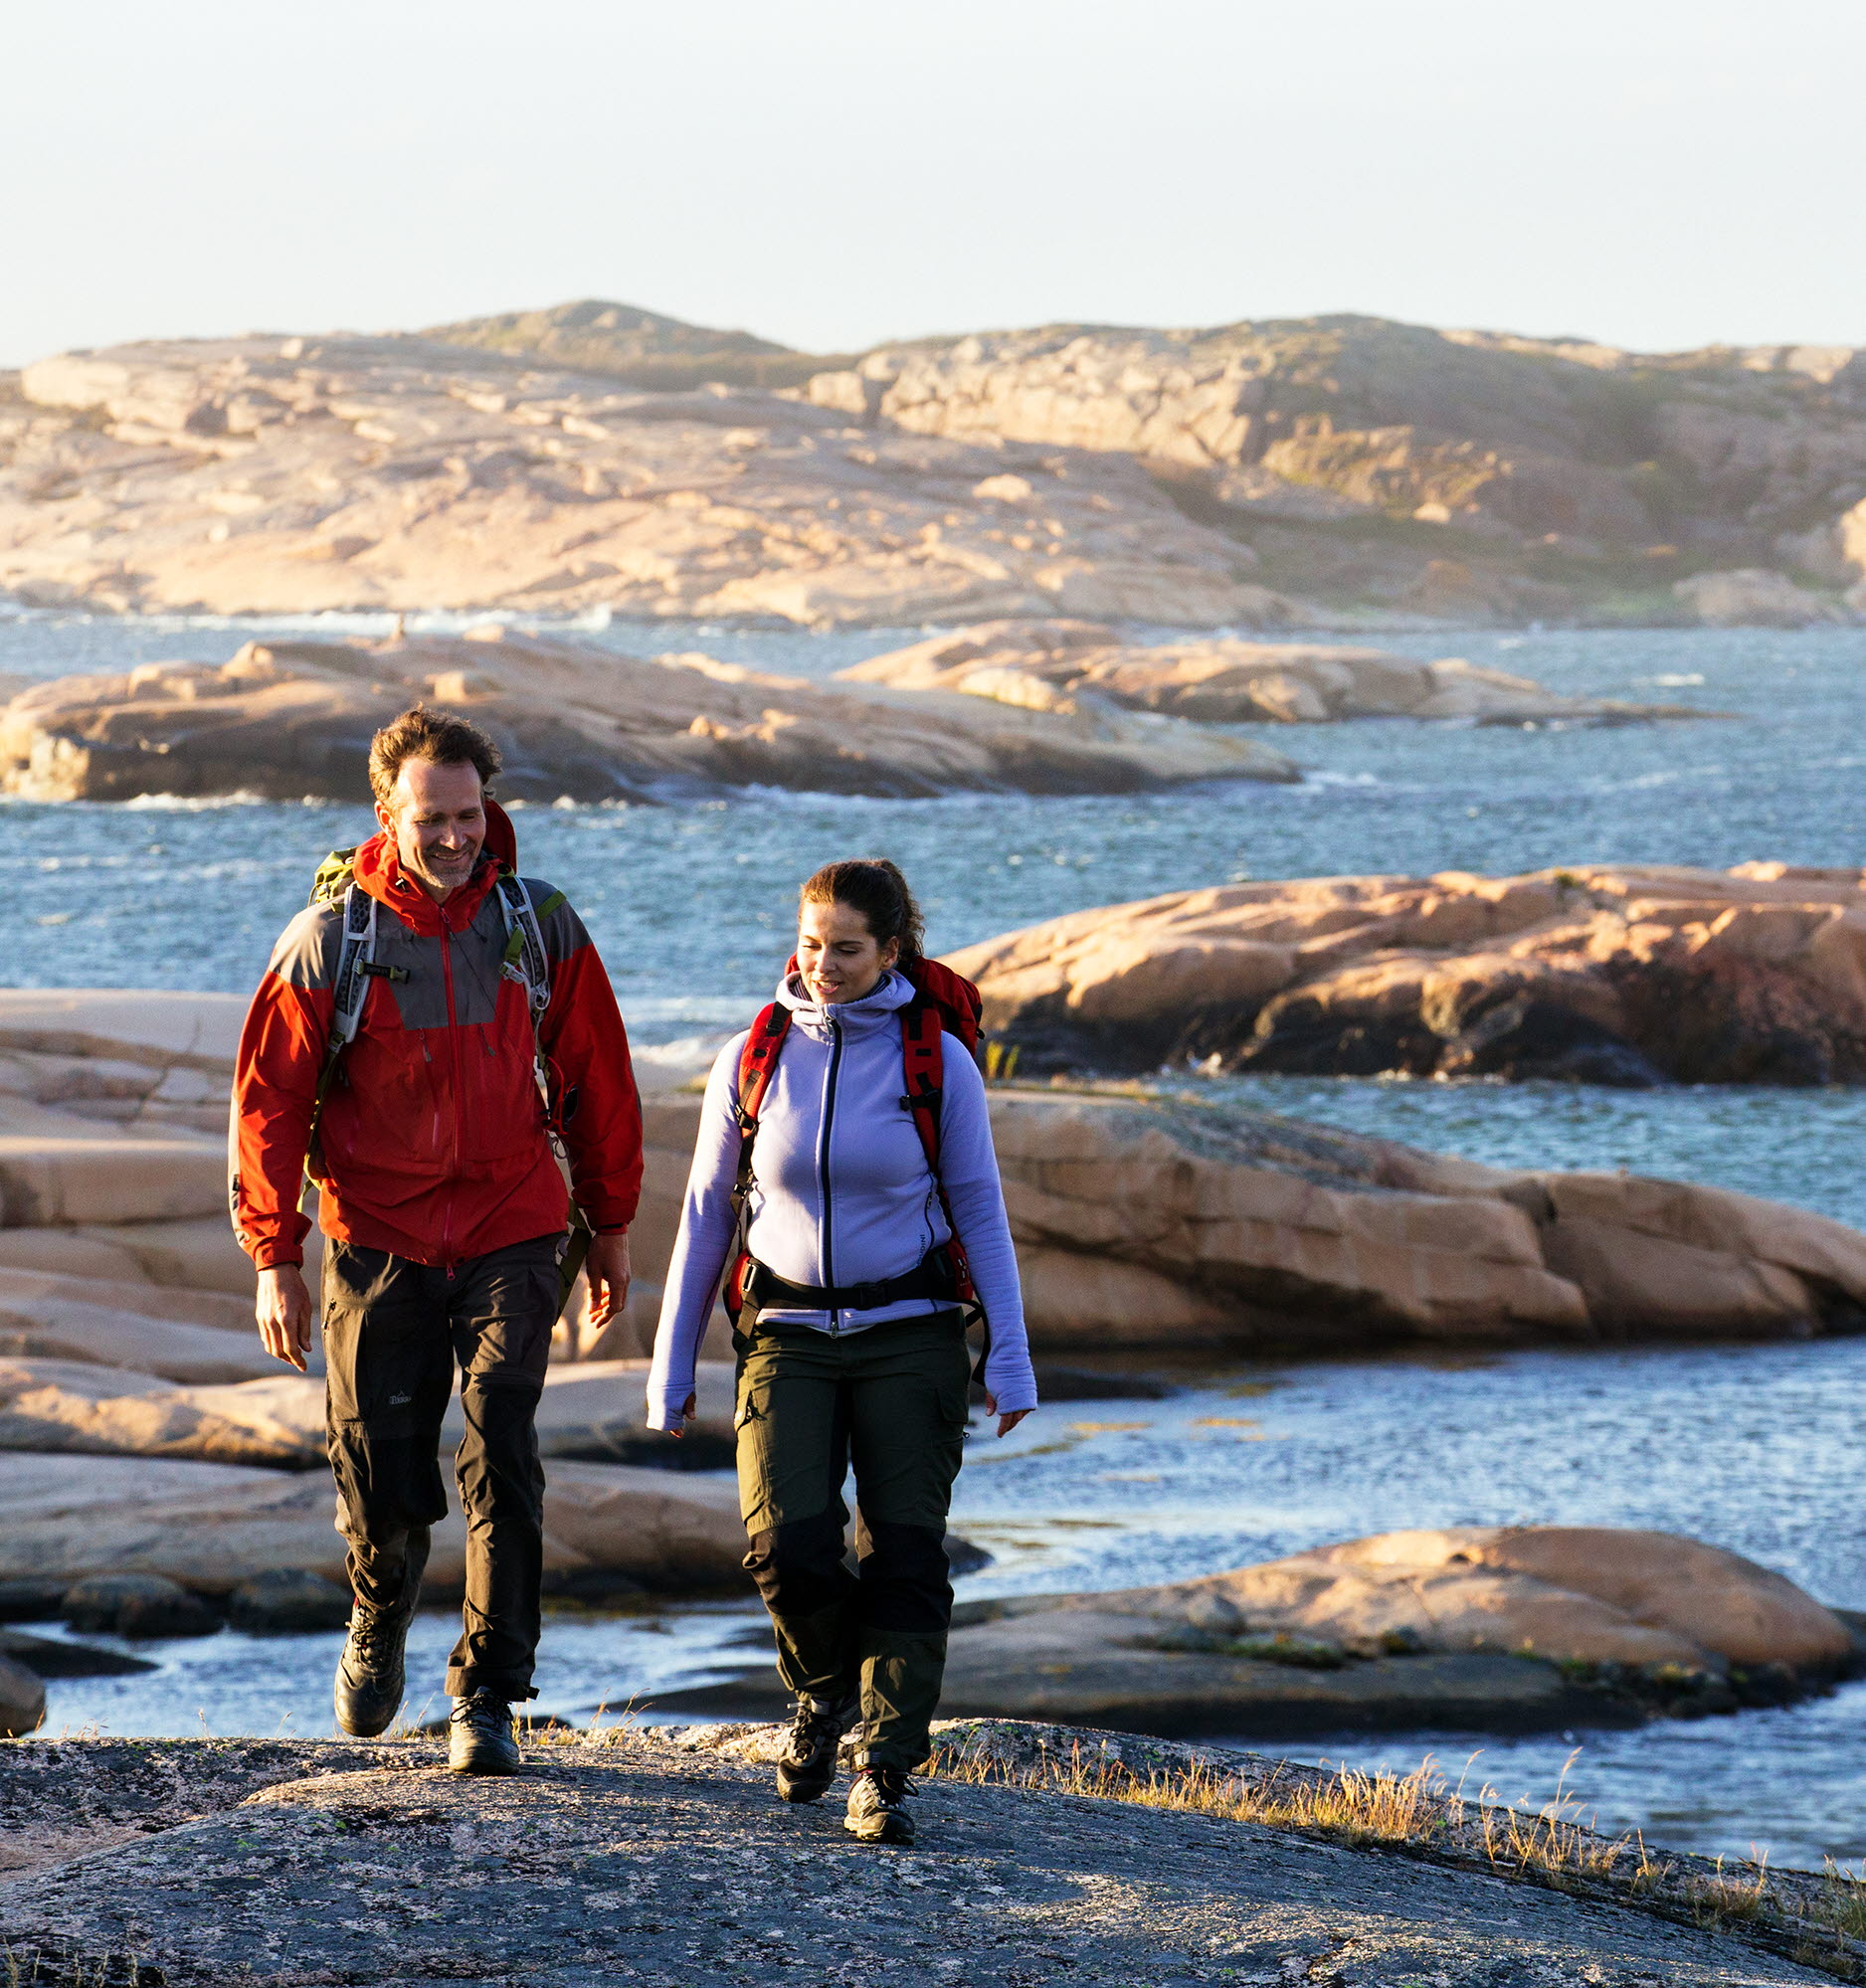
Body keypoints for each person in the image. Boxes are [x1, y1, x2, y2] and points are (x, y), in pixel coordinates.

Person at [231, 706, 642, 1774]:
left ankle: (489, 1694)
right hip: (377, 1237)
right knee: (383, 1470)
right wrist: (273, 1253)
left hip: (514, 1222)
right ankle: (378, 1604)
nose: (456, 836)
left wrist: (611, 1227)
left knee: (502, 1435)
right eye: (434, 818)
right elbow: (268, 1104)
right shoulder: (332, 940)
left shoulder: (536, 923)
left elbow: (599, 1079)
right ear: (386, 813)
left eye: (470, 814)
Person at [648, 858, 1037, 1846]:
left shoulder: (936, 1061)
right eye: (811, 943)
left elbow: (980, 1210)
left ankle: (885, 1769)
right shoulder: (755, 1055)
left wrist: (1011, 1354)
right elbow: (703, 1216)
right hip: (784, 1337)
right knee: (785, 1546)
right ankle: (822, 1691)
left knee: (904, 1550)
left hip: (909, 1335)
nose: (822, 963)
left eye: (847, 948)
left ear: (893, 949)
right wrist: (671, 1364)